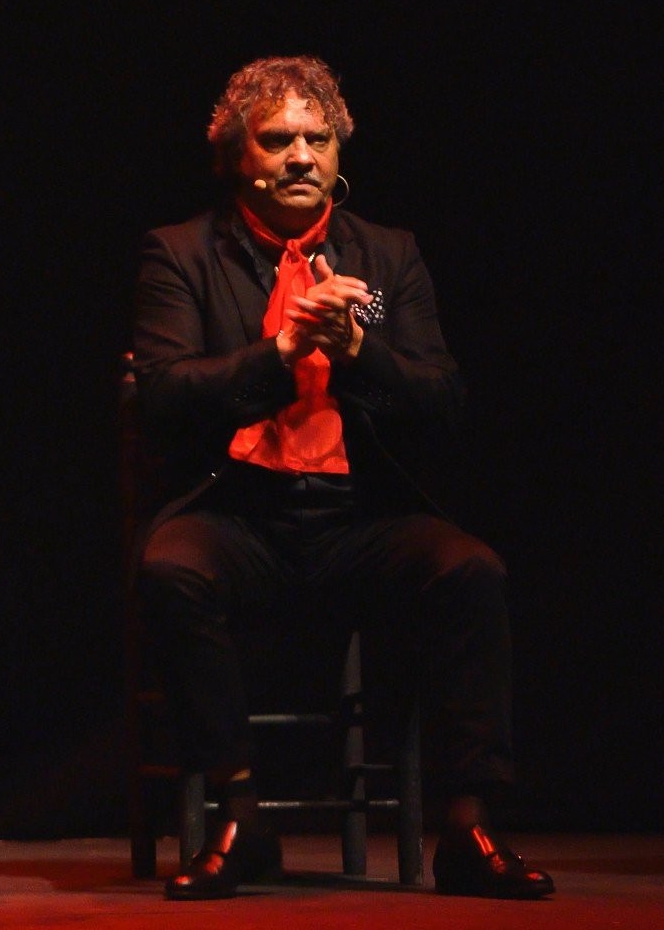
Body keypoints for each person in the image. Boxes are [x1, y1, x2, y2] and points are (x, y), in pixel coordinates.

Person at [131, 56, 552, 900]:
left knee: (472, 570)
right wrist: (280, 355)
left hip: (360, 516)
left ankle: (467, 827)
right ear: (235, 157)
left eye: (316, 139)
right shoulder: (180, 254)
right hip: (240, 511)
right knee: (170, 567)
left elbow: (443, 399)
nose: (300, 156)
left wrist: (358, 350)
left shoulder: (387, 259)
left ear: (338, 150)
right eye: (277, 139)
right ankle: (241, 816)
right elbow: (166, 395)